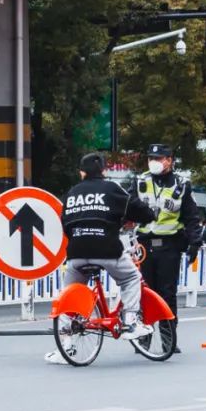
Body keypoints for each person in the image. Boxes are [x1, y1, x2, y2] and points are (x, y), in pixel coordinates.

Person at [46, 152, 154, 361]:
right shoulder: (112, 189)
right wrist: (147, 216)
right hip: (106, 249)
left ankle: (64, 345)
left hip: (76, 253)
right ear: (104, 171)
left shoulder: (71, 193)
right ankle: (131, 322)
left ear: (81, 173)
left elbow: (65, 224)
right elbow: (136, 209)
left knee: (69, 294)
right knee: (131, 278)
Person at [135, 143, 203, 353]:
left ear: (169, 160)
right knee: (144, 293)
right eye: (151, 158)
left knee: (167, 294)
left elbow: (191, 217)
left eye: (159, 158)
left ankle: (168, 340)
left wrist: (194, 243)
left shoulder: (182, 184)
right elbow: (127, 209)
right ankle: (143, 339)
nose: (154, 162)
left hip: (169, 246)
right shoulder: (140, 181)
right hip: (144, 247)